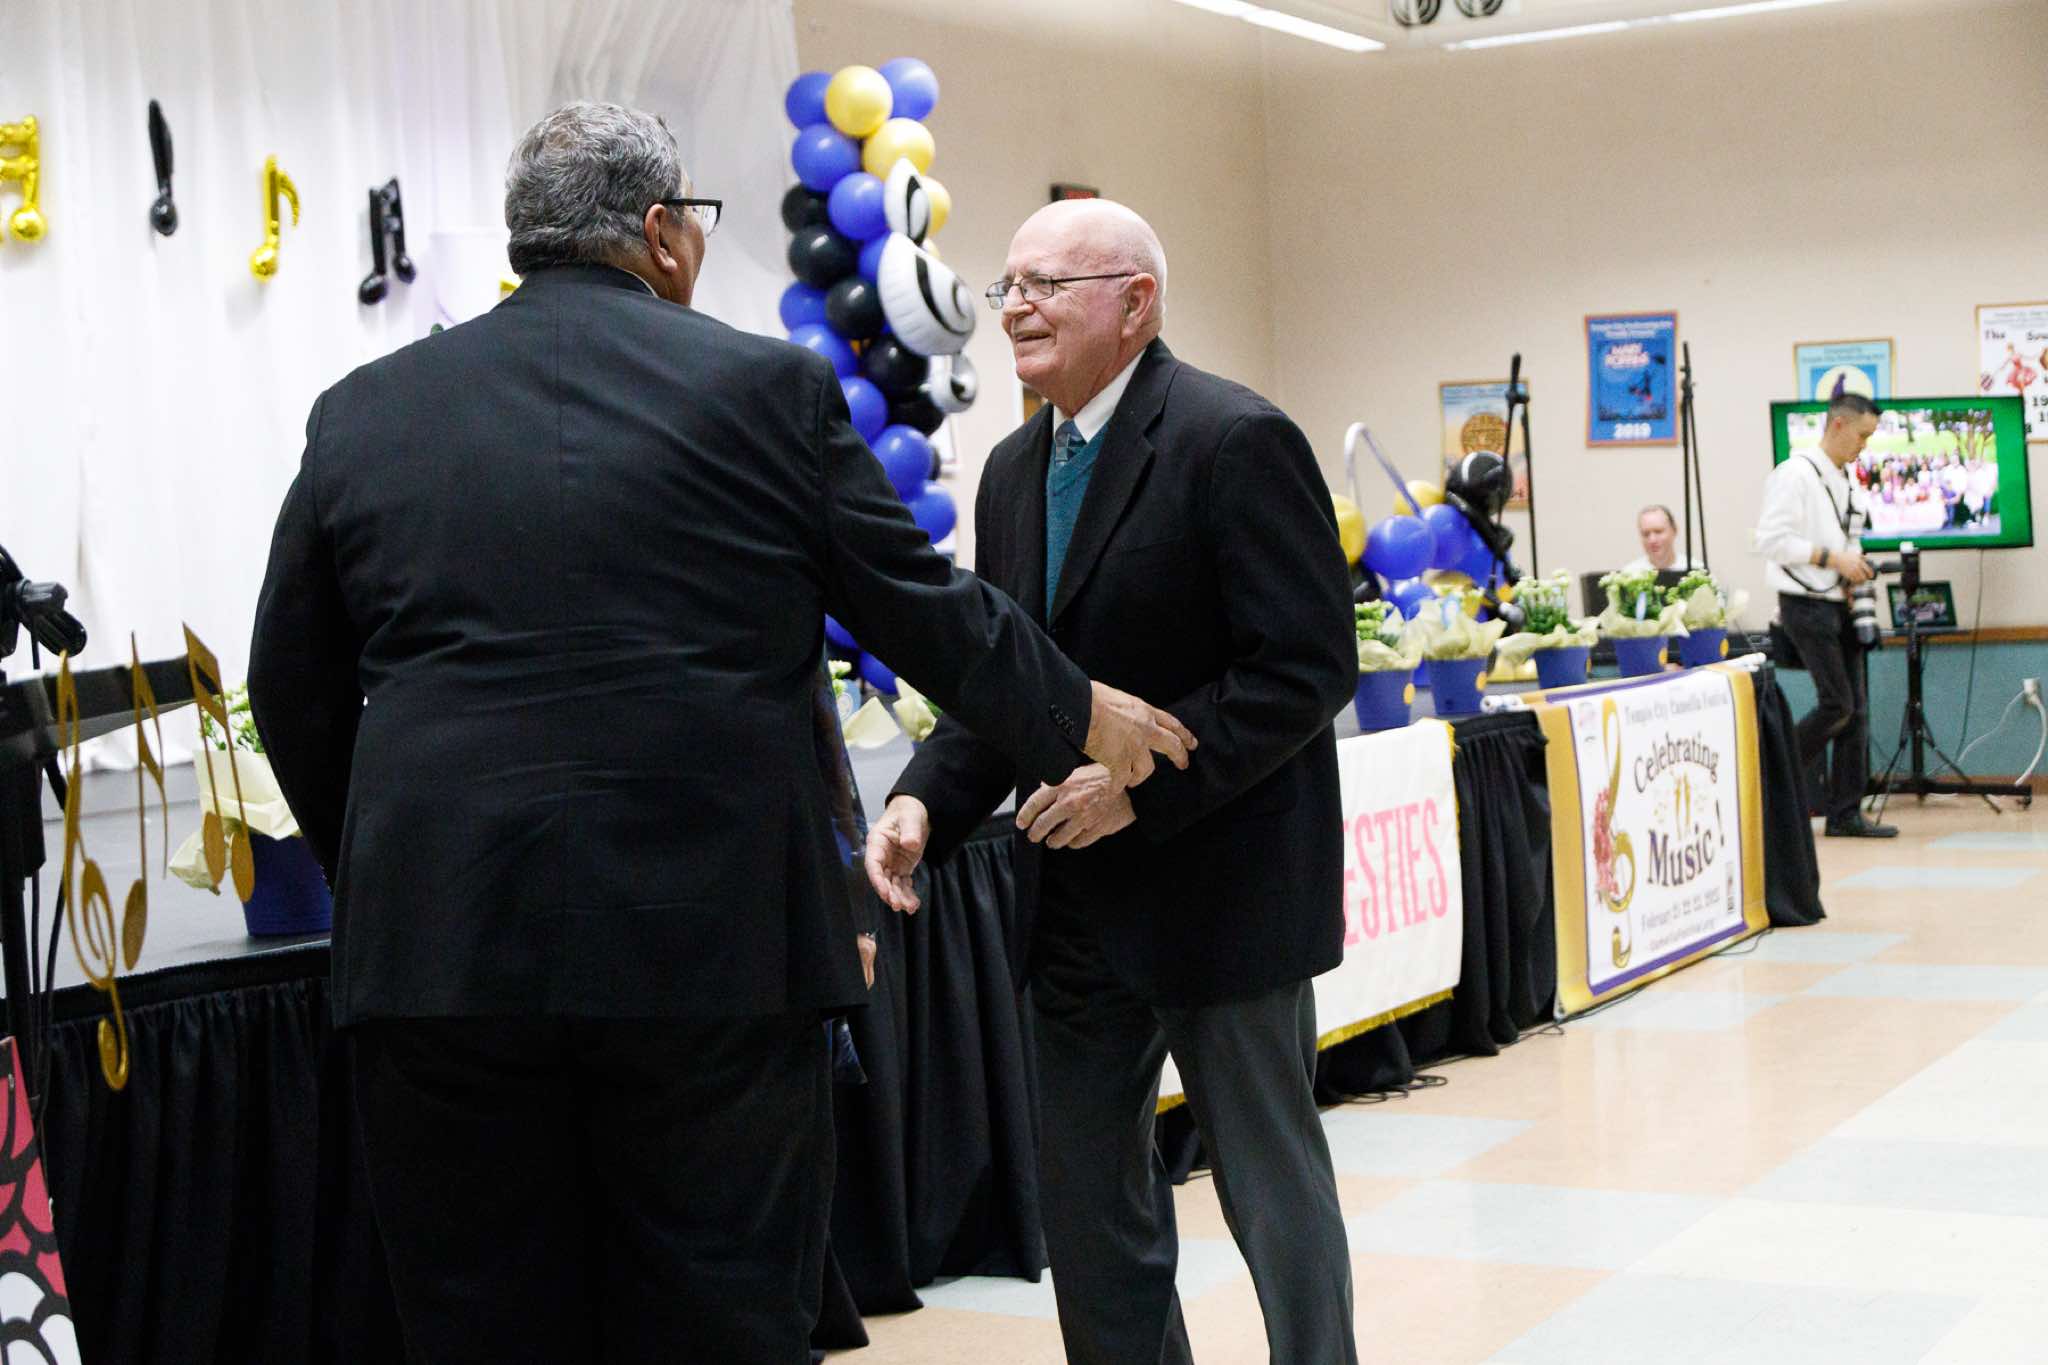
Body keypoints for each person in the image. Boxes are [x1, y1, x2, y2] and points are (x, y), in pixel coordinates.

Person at [247, 103, 1196, 1364]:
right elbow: (924, 611)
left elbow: (288, 684)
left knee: (480, 1320)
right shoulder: (762, 390)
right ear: (660, 233)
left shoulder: (365, 410)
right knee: (723, 1313)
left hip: (441, 956)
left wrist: (384, 865)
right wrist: (1081, 713)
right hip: (711, 954)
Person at [865, 198, 1360, 1364]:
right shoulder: (1008, 471)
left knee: (1270, 1193)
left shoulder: (1234, 439)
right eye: (1008, 287)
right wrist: (922, 799)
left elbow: (1304, 667)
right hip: (1073, 910)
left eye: (1047, 285)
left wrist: (1137, 789)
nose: (1015, 309)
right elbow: (1006, 682)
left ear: (1135, 302)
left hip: (1225, 895)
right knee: (1090, 1207)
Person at [1754, 390, 1895, 837]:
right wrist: (1835, 560)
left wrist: (1853, 573)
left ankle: (1846, 813)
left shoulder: (1845, 478)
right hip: (1804, 604)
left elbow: (1848, 539)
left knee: (1856, 710)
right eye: (1862, 436)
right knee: (1837, 704)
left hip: (1839, 602)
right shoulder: (1795, 473)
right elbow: (1771, 541)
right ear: (1838, 424)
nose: (1864, 446)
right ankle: (1769, 773)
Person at [1617, 503, 1703, 574]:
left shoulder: (1696, 572)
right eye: (1646, 534)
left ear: (1674, 530)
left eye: (1658, 531)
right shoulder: (1630, 574)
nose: (1652, 540)